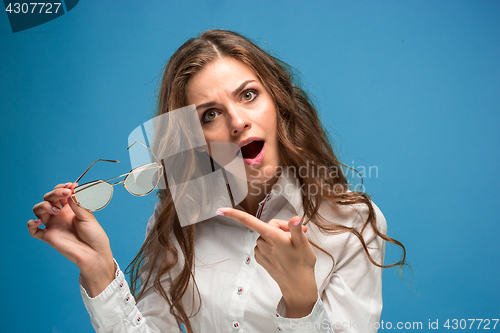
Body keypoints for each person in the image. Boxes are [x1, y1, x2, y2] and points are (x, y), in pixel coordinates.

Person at [28, 29, 406, 333]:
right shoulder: (179, 216)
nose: (237, 121)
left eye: (248, 95)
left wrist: (301, 301)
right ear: (193, 139)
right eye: (209, 114)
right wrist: (98, 270)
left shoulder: (352, 221)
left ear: (278, 102)